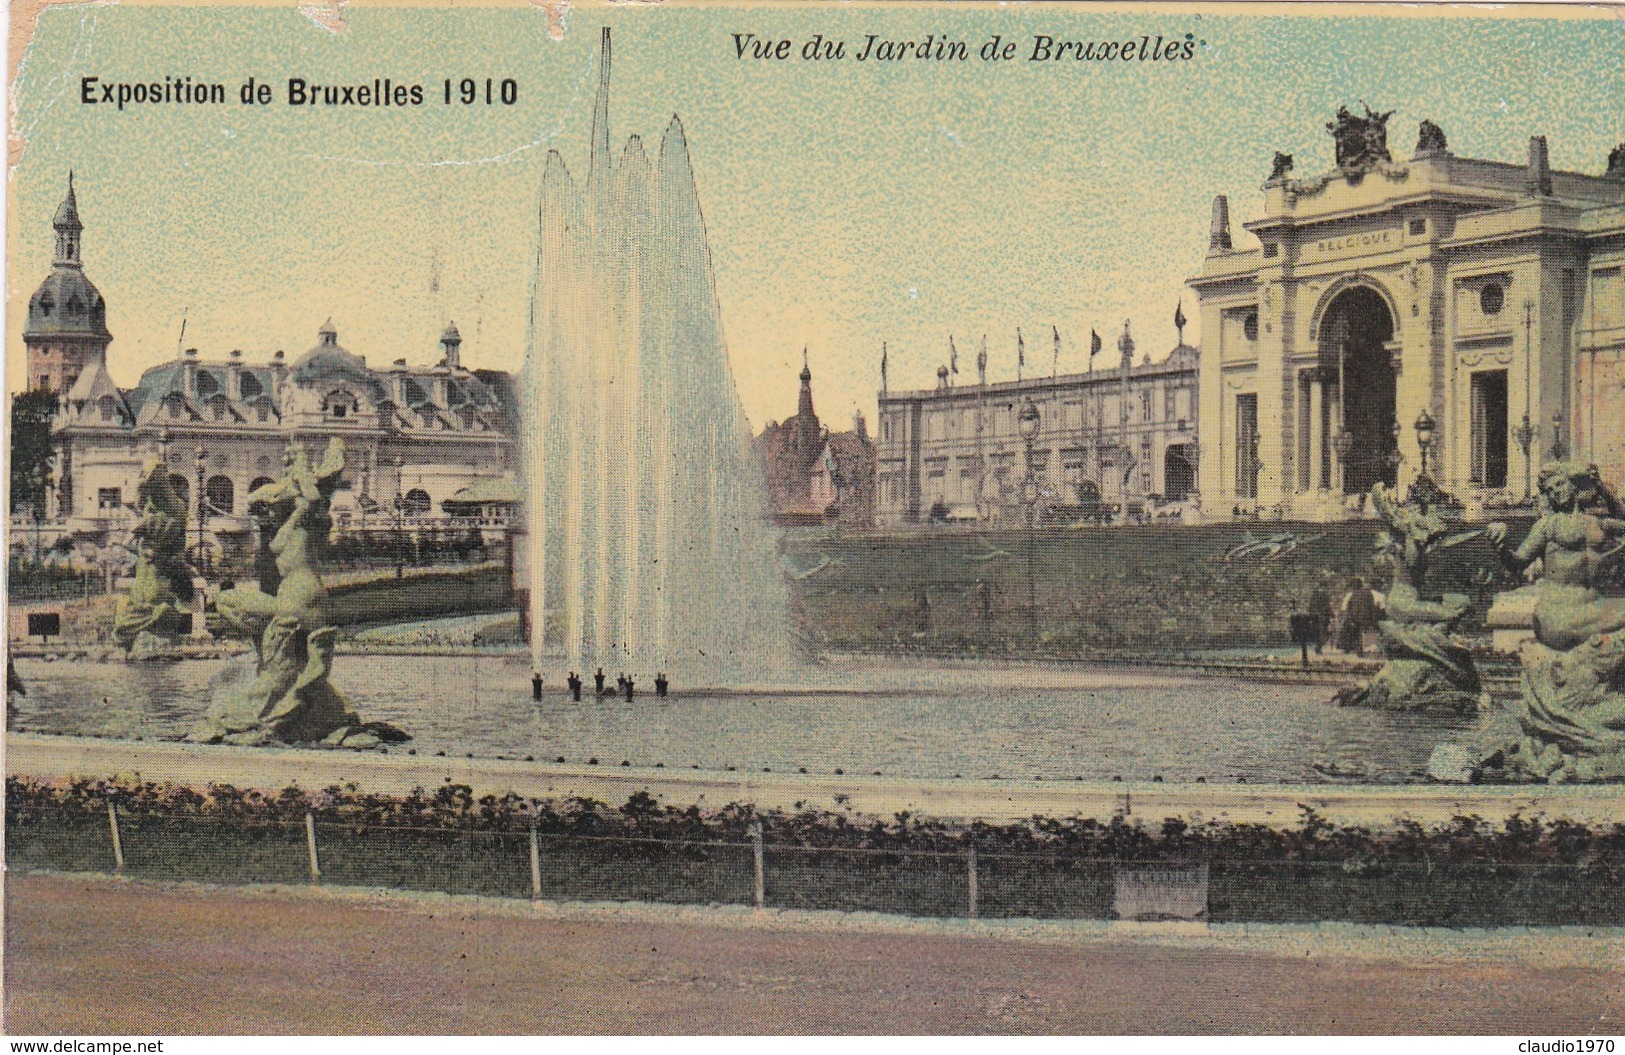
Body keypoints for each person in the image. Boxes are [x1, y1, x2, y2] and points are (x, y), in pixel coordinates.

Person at [1340, 576, 1381, 655]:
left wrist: (1350, 617)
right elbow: (1372, 607)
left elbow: (1349, 607)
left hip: (1356, 617)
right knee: (1358, 631)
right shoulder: (1369, 593)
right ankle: (1356, 649)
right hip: (1366, 618)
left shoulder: (1354, 594)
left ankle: (1350, 648)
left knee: (1351, 629)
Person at [1307, 576, 1334, 654]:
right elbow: (1327, 607)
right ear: (1325, 586)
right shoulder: (1325, 595)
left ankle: (1318, 647)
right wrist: (1332, 615)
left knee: (1318, 633)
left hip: (1314, 617)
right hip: (1323, 617)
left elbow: (1310, 607)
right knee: (1326, 633)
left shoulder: (1314, 594)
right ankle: (1318, 648)